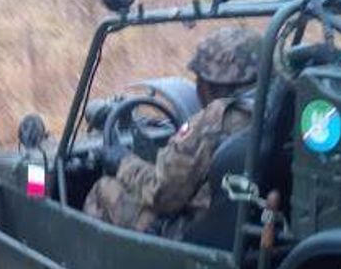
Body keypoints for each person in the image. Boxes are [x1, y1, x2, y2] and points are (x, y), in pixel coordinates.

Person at [84, 27, 262, 238]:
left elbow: (163, 193)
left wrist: (122, 162)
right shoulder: (271, 109)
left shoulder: (215, 121)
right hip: (247, 224)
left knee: (104, 188)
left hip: (188, 232)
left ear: (209, 84)